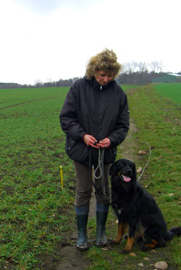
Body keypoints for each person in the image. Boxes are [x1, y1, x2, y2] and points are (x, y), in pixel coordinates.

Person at [59, 49, 129, 251]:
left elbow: (123, 125)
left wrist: (111, 140)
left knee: (103, 190)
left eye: (109, 76)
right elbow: (66, 118)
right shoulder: (78, 88)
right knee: (83, 190)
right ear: (93, 71)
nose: (105, 79)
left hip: (104, 153)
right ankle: (81, 234)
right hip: (81, 150)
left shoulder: (118, 94)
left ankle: (100, 232)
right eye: (102, 75)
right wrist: (83, 136)